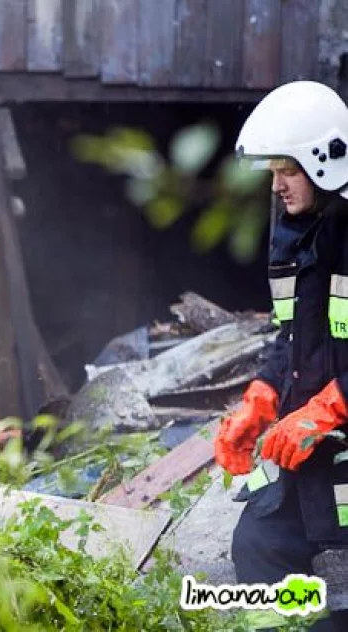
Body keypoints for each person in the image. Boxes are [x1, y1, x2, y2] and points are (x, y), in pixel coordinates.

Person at [217, 80, 348, 630]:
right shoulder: (296, 236)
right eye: (273, 173)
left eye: (286, 171)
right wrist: (263, 393)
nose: (276, 186)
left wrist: (332, 406)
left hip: (342, 455)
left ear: (325, 164)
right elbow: (289, 336)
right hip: (309, 460)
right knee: (257, 546)